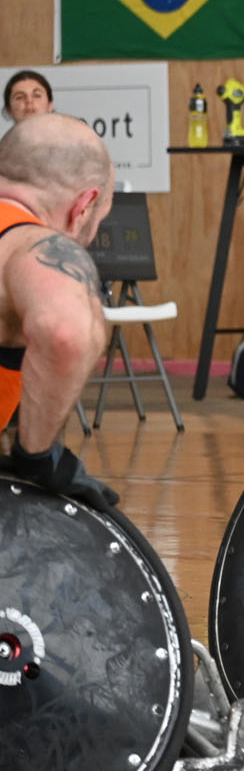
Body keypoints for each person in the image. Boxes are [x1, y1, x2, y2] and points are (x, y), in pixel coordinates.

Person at [0, 114, 118, 509]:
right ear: (83, 206)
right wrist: (37, 458)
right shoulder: (31, 246)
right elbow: (67, 331)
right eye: (99, 219)